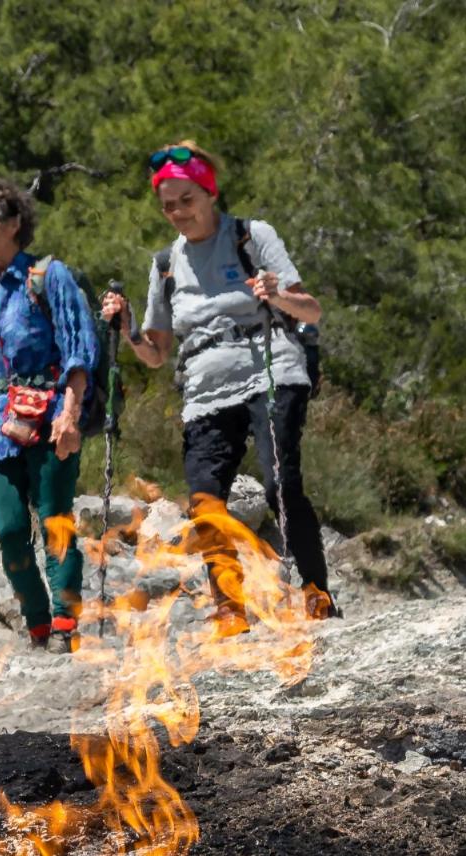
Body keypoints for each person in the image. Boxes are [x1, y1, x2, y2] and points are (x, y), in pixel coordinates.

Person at [98, 143, 339, 625]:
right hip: (205, 388)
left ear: (210, 193)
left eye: (186, 200)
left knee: (281, 484)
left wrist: (277, 295)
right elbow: (156, 353)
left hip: (270, 366)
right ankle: (230, 607)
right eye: (167, 205)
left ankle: (315, 594)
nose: (177, 213)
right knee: (205, 498)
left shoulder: (252, 237)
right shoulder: (166, 263)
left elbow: (310, 310)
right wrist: (126, 328)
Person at [0, 178, 97, 648]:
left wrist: (70, 416)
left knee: (55, 519)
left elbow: (78, 350)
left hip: (49, 419)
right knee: (9, 529)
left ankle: (67, 619)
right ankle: (36, 618)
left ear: (13, 223)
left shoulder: (49, 277)